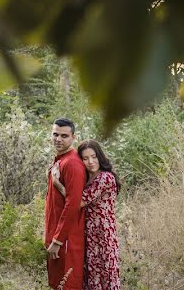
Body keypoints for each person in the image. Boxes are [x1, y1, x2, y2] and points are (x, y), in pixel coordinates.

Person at [52, 139, 122, 290]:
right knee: (91, 275)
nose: (90, 161)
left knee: (104, 276)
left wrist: (57, 183)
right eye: (85, 158)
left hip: (103, 235)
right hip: (90, 234)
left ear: (100, 157)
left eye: (94, 156)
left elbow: (77, 202)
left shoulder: (105, 178)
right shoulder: (89, 178)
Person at [44, 118, 86, 290]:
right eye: (55, 134)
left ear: (73, 137)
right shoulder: (60, 160)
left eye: (64, 135)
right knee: (56, 283)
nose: (58, 139)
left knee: (67, 285)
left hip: (66, 239)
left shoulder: (72, 163)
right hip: (57, 235)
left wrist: (58, 240)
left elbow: (72, 205)